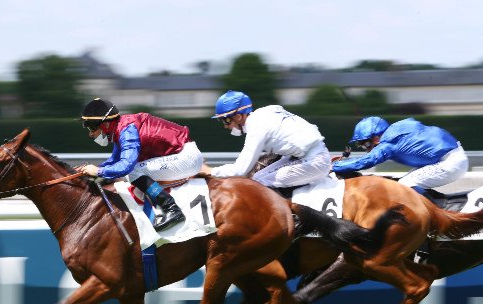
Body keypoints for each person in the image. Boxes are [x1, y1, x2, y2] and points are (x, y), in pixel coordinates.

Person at [75, 98, 203, 231]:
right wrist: (87, 172)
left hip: (187, 158)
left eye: (92, 127)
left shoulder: (127, 131)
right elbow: (114, 161)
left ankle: (171, 208)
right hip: (180, 155)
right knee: (132, 171)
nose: (90, 134)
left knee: (133, 171)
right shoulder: (120, 129)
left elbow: (126, 166)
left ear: (106, 124)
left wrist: (98, 172)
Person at [200, 90, 332, 193]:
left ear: (239, 117)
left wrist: (210, 171)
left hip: (314, 160)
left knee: (258, 182)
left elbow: (240, 170)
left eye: (226, 120)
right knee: (256, 177)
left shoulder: (256, 127)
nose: (225, 126)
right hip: (308, 155)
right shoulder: (264, 112)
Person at [332, 116, 469, 192]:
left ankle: (433, 219)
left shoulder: (388, 142)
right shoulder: (397, 128)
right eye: (362, 146)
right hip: (451, 157)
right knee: (403, 182)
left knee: (405, 184)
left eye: (366, 144)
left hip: (450, 162)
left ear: (376, 137)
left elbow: (367, 161)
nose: (367, 149)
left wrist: (333, 166)